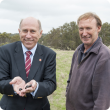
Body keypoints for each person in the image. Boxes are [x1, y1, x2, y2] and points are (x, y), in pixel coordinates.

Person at [0, 17, 56, 110]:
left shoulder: (49, 54)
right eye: (25, 31)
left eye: (33, 31)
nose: (28, 36)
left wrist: (37, 86)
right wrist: (13, 85)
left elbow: (51, 84)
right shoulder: (5, 51)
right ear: (19, 31)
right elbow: (1, 81)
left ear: (40, 33)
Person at [66, 12, 110, 110]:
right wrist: (67, 92)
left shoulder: (104, 56)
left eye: (88, 28)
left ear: (98, 28)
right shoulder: (78, 50)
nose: (84, 33)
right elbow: (70, 79)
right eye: (81, 29)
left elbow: (103, 99)